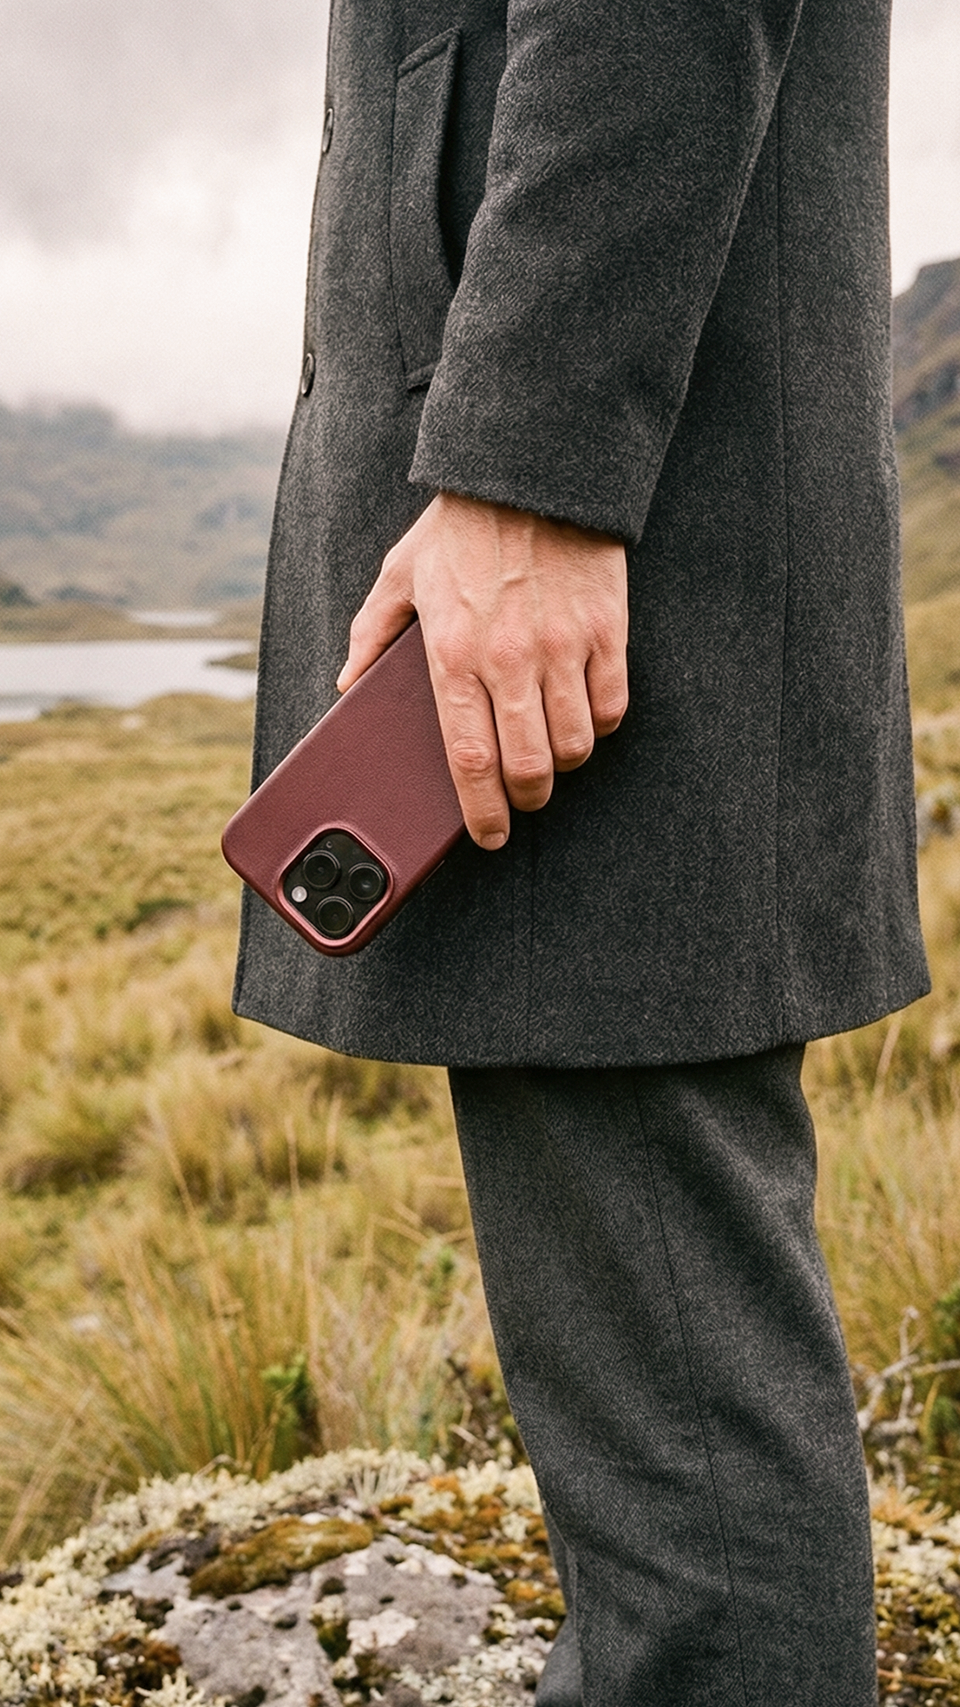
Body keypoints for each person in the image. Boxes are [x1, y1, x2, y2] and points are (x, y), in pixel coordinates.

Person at [233, 0, 930, 1699]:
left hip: (596, 519)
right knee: (661, 1399)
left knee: (686, 1480)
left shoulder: (546, 492)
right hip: (602, 491)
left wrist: (527, 470)